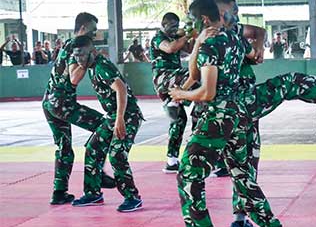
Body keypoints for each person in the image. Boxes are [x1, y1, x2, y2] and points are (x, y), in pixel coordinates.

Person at [212, 0, 316, 227]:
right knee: (290, 83)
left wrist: (257, 50)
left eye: (236, 13)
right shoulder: (210, 38)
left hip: (242, 107)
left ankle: (240, 220)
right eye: (228, 14)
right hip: (233, 106)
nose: (234, 18)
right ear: (214, 14)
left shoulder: (233, 30)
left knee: (244, 165)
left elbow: (257, 31)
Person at [169, 0, 285, 227]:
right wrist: (197, 43)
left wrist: (183, 94)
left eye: (192, 21)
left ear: (205, 20)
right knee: (242, 174)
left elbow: (207, 91)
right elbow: (195, 75)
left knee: (188, 173)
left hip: (218, 118)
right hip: (239, 117)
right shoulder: (233, 39)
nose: (189, 25)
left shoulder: (213, 44)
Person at [41, 12, 115, 205]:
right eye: (92, 31)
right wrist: (91, 59)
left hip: (50, 103)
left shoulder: (67, 45)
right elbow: (74, 78)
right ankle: (96, 173)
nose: (94, 35)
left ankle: (59, 193)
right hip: (62, 104)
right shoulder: (77, 48)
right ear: (82, 28)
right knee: (105, 125)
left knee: (64, 148)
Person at [69, 35, 143, 212]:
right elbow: (73, 79)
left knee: (117, 153)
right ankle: (93, 193)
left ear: (93, 52)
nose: (78, 59)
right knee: (93, 148)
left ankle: (132, 197)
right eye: (75, 56)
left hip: (128, 115)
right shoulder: (90, 64)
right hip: (112, 115)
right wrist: (81, 63)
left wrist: (119, 119)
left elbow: (121, 89)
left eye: (82, 55)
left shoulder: (101, 67)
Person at [149, 12, 200, 173]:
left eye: (176, 26)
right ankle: (178, 100)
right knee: (193, 74)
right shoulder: (158, 38)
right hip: (164, 78)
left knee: (179, 120)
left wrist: (193, 36)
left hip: (175, 82)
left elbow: (189, 49)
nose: (174, 30)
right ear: (163, 25)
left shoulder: (175, 38)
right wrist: (185, 36)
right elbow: (170, 48)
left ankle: (171, 160)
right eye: (171, 27)